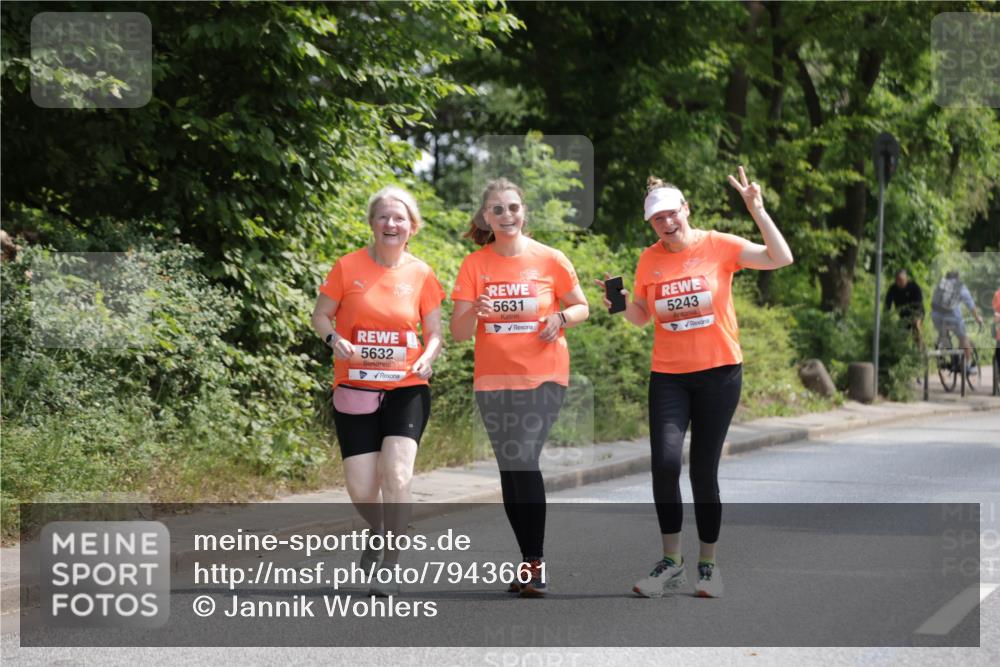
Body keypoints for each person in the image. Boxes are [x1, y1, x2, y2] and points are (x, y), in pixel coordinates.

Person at [599, 166, 792, 599]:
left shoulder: (718, 245)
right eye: (657, 219)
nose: (667, 223)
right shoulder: (650, 259)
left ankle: (708, 565)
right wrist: (622, 303)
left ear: (686, 209)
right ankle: (671, 562)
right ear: (651, 224)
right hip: (669, 376)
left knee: (704, 472)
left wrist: (757, 210)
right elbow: (643, 317)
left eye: (672, 214)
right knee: (665, 465)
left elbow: (781, 258)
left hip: (720, 373)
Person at [450, 178, 589, 598]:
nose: (507, 215)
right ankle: (528, 560)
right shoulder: (475, 265)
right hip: (493, 379)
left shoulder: (550, 259)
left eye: (513, 207)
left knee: (524, 460)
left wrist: (560, 319)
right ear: (485, 218)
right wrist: (475, 309)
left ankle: (535, 561)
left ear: (523, 212)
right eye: (497, 210)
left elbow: (580, 305)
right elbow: (458, 333)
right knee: (510, 470)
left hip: (543, 375)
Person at [311, 185, 445, 596]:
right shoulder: (347, 267)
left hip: (407, 387)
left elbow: (435, 333)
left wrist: (429, 357)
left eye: (399, 217)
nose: (391, 223)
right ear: (372, 223)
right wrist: (335, 340)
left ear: (412, 227)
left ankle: (390, 563)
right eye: (384, 216)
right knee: (360, 487)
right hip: (355, 386)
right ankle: (381, 529)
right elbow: (320, 317)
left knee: (398, 473)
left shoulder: (421, 273)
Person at [930, 271, 984, 366]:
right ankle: (968, 364)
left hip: (936, 316)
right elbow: (970, 305)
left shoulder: (940, 285)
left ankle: (941, 349)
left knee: (943, 334)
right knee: (963, 338)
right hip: (953, 318)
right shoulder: (960, 286)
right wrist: (978, 319)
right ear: (958, 278)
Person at [884, 269, 925, 349]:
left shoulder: (914, 287)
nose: (900, 283)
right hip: (903, 316)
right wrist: (885, 318)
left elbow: (919, 303)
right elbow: (887, 305)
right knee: (900, 334)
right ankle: (900, 352)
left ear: (906, 279)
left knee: (916, 325)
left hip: (917, 312)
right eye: (898, 280)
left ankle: (920, 349)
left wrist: (915, 317)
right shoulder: (892, 289)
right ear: (896, 281)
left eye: (902, 280)